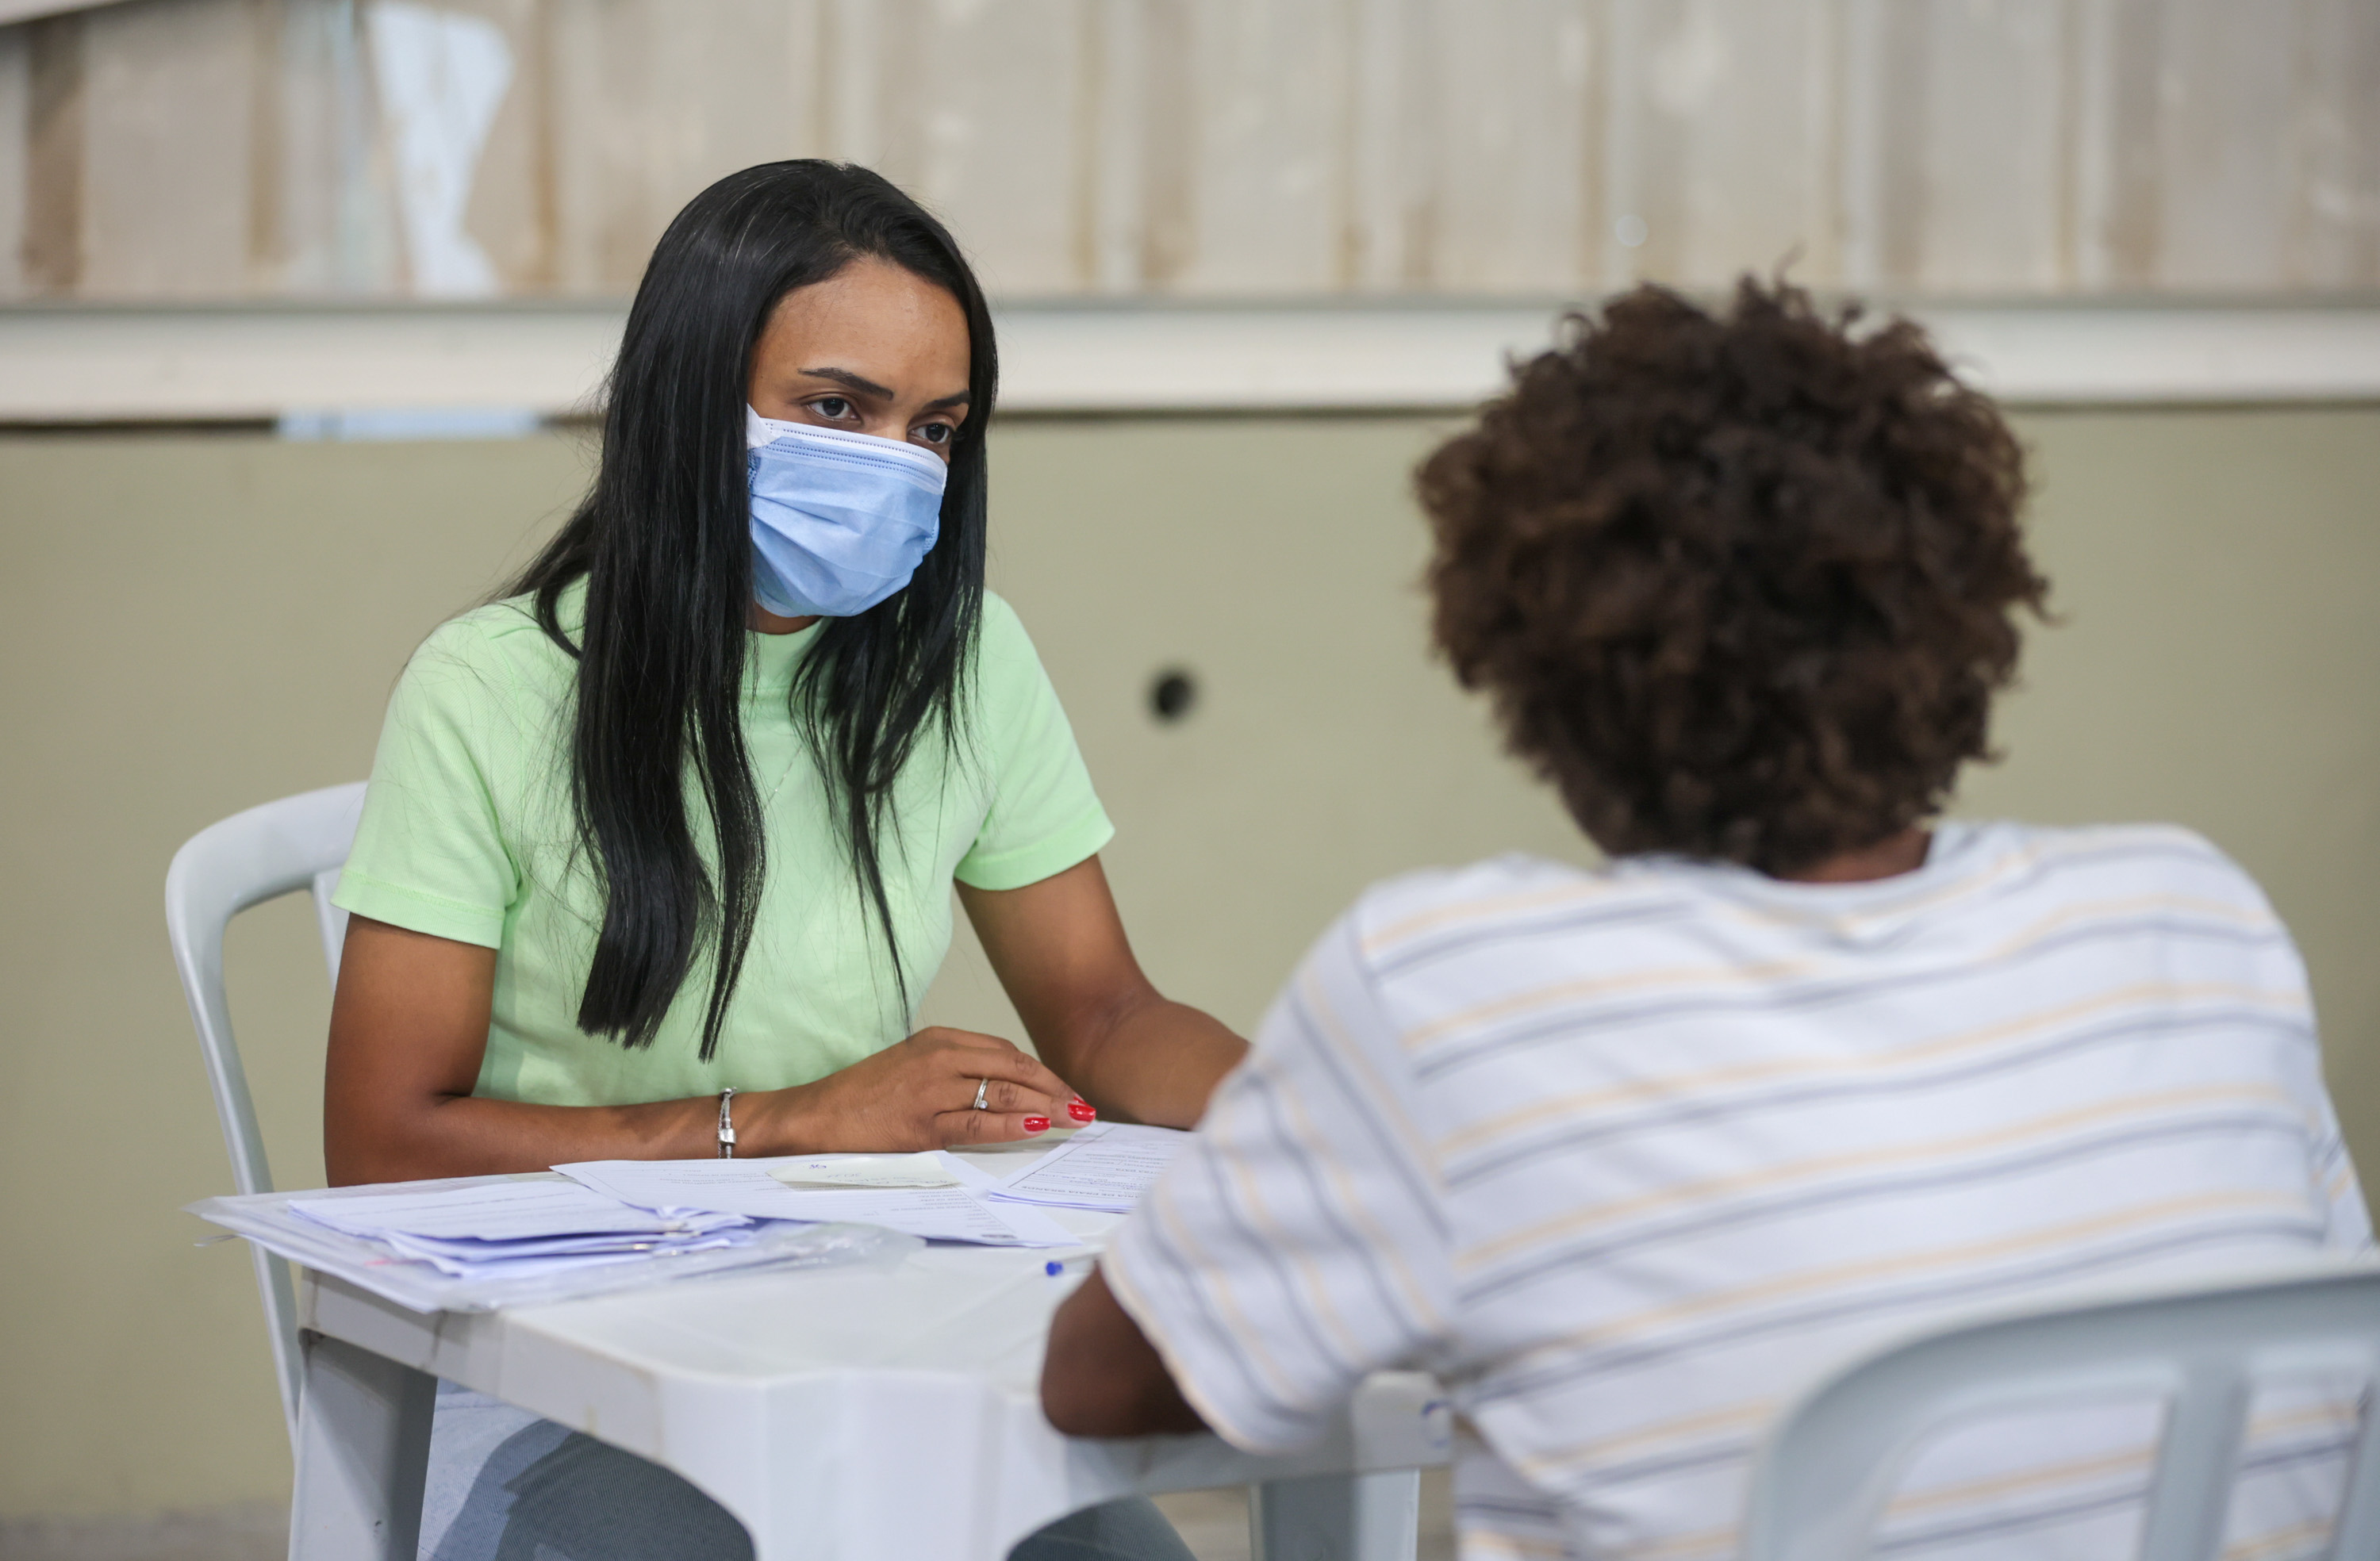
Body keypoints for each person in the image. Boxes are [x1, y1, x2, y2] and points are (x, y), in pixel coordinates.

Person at [1042, 280, 2374, 1560]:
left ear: (1532, 667)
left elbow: (1097, 1384)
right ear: (1962, 619)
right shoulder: (2193, 921)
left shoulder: (1461, 991)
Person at [326, 161, 1235, 1561]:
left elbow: (1108, 1015)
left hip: (875, 1328)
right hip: (563, 1374)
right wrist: (794, 1119)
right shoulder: (493, 690)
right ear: (693, 399)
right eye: (835, 408)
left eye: (936, 428)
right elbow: (386, 1149)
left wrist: (1297, 1105)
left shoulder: (968, 662)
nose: (894, 464)